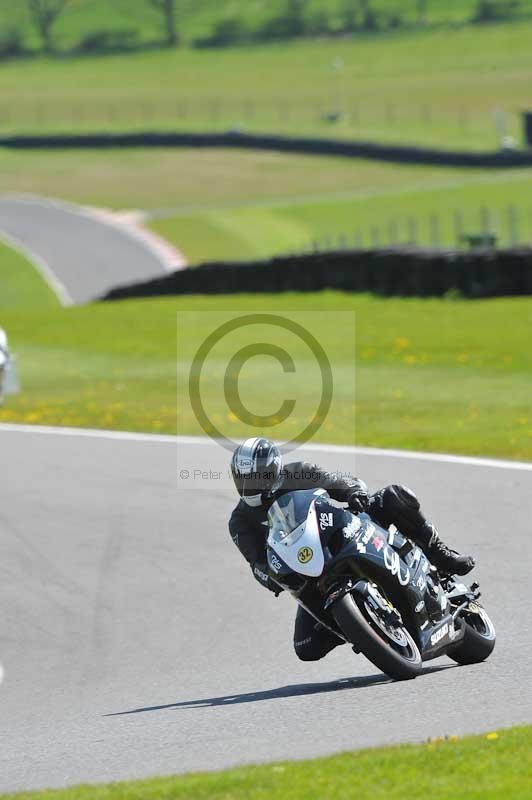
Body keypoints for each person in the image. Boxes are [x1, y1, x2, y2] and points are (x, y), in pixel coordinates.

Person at [229, 437, 475, 662]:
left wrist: (353, 492)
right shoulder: (239, 522)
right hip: (311, 571)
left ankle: (441, 555)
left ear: (273, 469)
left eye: (256, 477)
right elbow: (257, 563)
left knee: (392, 496)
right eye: (244, 479)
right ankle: (361, 624)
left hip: (342, 532)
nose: (250, 485)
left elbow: (336, 481)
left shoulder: (298, 472)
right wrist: (270, 576)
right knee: (306, 647)